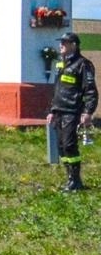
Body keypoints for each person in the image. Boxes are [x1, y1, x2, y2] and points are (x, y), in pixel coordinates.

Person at [47, 30, 97, 193]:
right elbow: (57, 89)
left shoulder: (83, 64)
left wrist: (88, 112)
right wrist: (52, 110)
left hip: (72, 111)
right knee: (61, 146)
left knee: (69, 145)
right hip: (60, 110)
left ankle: (76, 180)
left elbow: (90, 90)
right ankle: (70, 178)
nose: (61, 45)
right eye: (60, 42)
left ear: (73, 45)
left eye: (64, 43)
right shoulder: (61, 64)